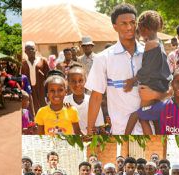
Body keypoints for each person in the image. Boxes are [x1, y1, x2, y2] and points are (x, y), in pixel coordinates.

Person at [86, 3, 144, 135]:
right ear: (115, 27)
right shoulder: (103, 58)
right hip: (121, 130)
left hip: (150, 127)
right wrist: (90, 130)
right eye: (123, 23)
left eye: (132, 22)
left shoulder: (150, 53)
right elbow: (96, 97)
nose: (129, 27)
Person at [124, 10, 171, 135]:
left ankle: (127, 137)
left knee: (141, 116)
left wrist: (133, 80)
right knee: (156, 119)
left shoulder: (150, 44)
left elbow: (146, 68)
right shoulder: (159, 43)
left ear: (144, 28)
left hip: (150, 86)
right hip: (161, 85)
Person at [35, 70, 82, 135]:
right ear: (47, 93)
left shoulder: (72, 110)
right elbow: (40, 137)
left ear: (66, 92)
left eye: (60, 90)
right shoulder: (41, 112)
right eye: (52, 90)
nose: (56, 94)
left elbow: (78, 134)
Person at [64, 65, 105, 135]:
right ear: (68, 83)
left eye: (80, 80)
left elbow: (100, 127)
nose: (77, 84)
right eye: (73, 81)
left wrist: (96, 130)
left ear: (86, 81)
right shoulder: (64, 102)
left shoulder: (93, 101)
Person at [22, 41, 50, 113]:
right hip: (29, 88)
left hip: (41, 88)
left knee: (43, 105)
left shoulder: (42, 61)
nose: (30, 51)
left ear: (36, 50)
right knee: (31, 106)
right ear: (25, 51)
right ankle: (34, 122)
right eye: (28, 49)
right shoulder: (24, 64)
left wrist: (48, 89)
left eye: (32, 49)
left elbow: (48, 76)